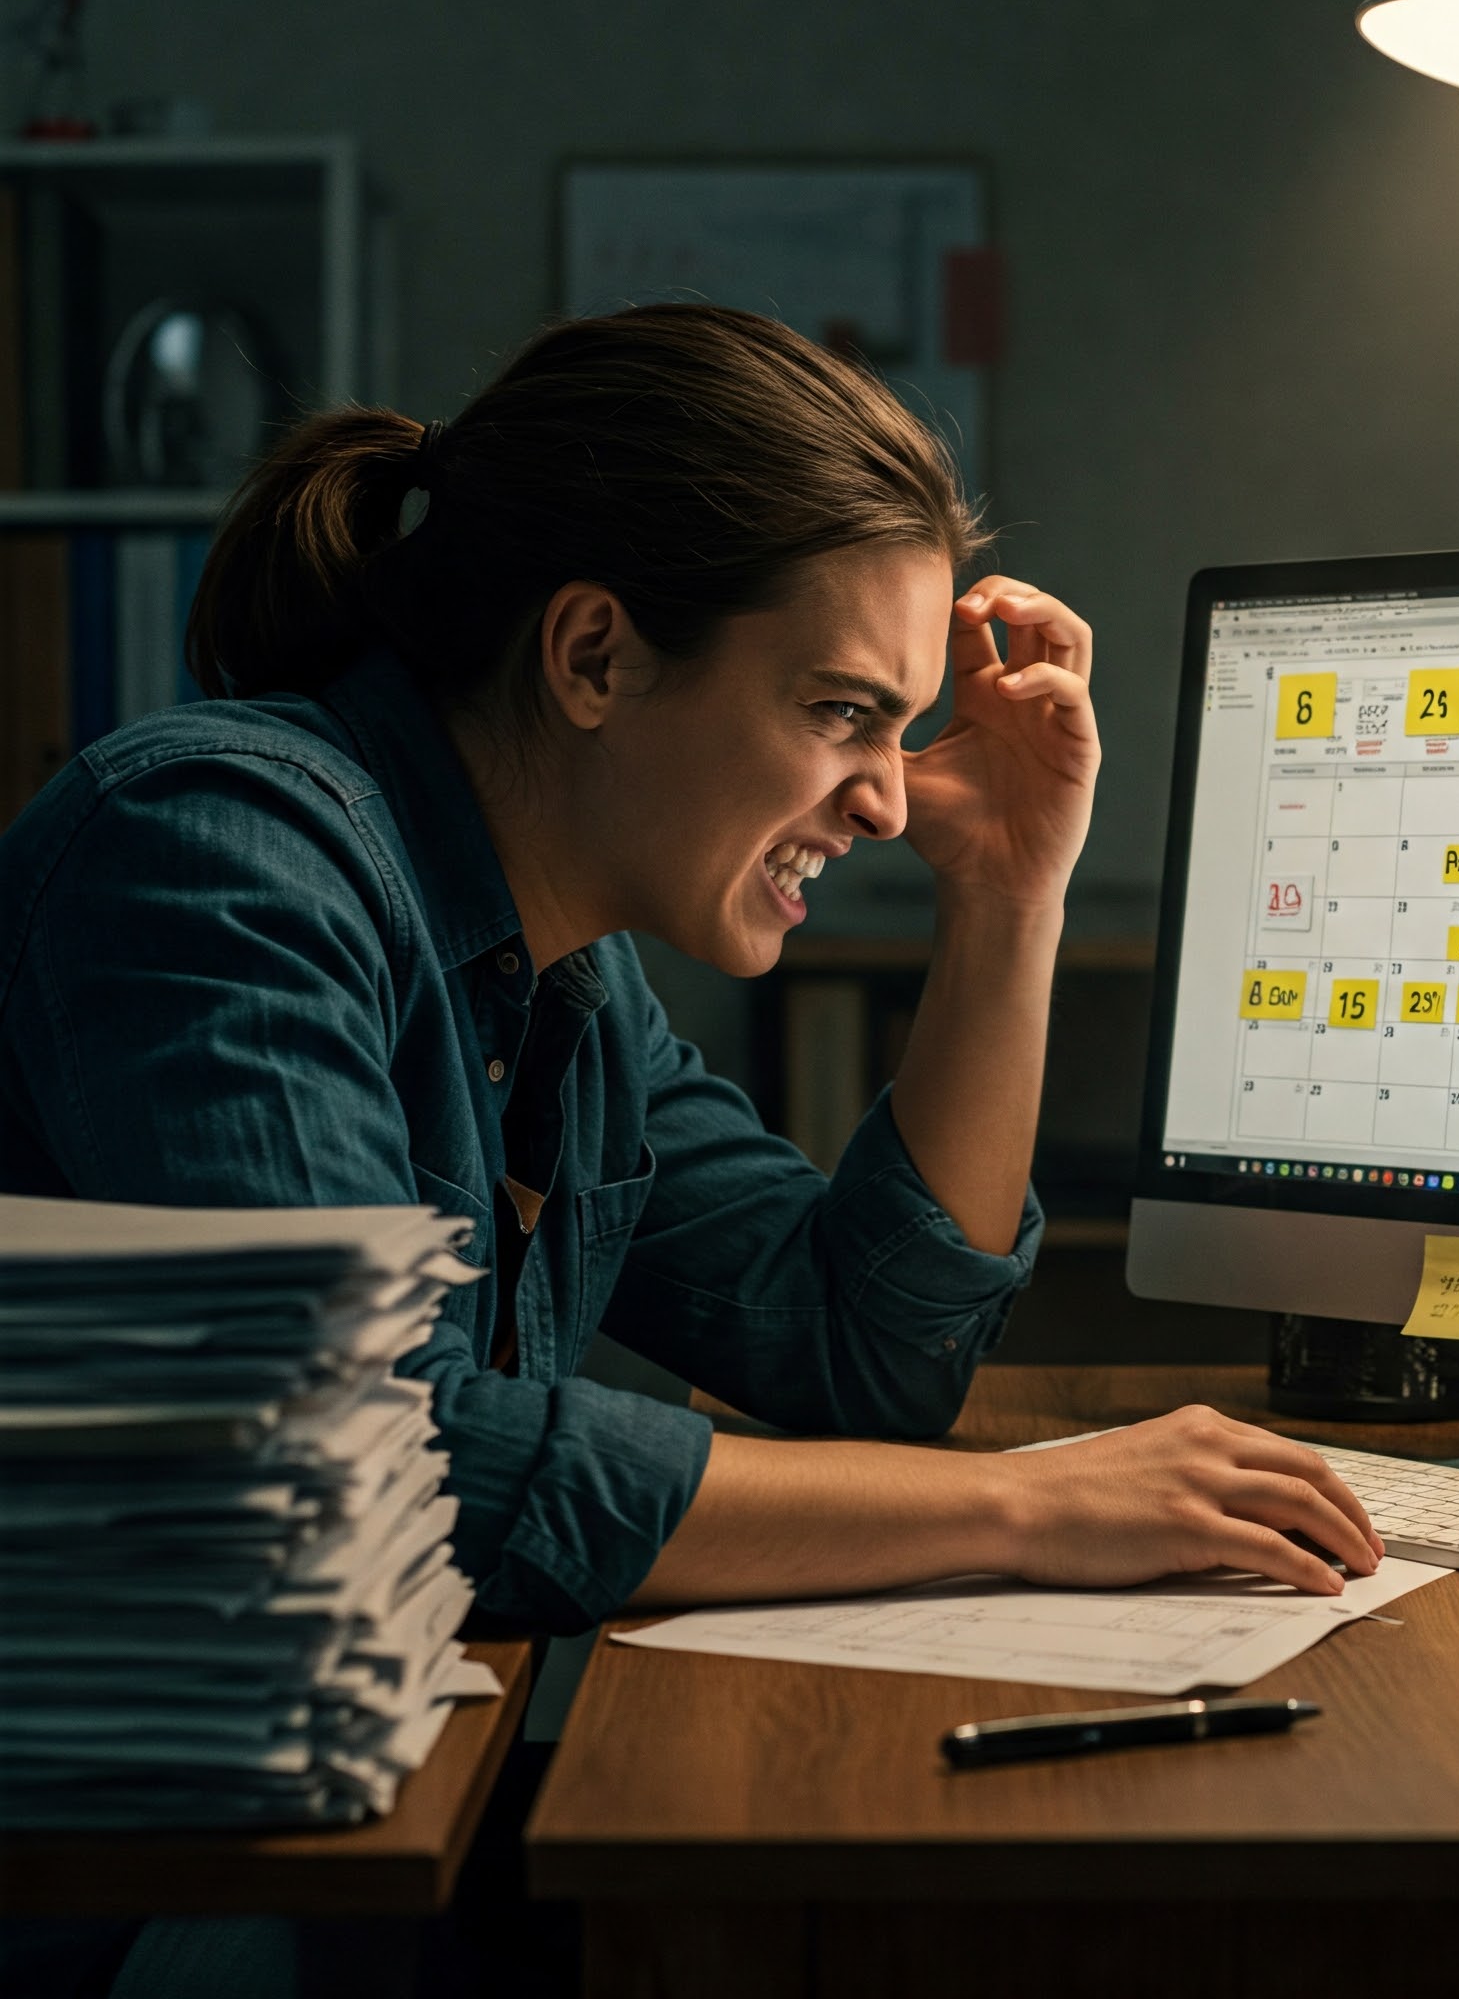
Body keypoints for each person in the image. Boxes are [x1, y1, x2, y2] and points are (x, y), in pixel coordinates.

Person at [0, 304, 1382, 1637]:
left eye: (901, 731)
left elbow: (864, 1355)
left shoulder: (573, 984)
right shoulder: (211, 860)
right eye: (845, 712)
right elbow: (352, 1456)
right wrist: (1017, 1509)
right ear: (594, 656)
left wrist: (1009, 896)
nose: (890, 805)